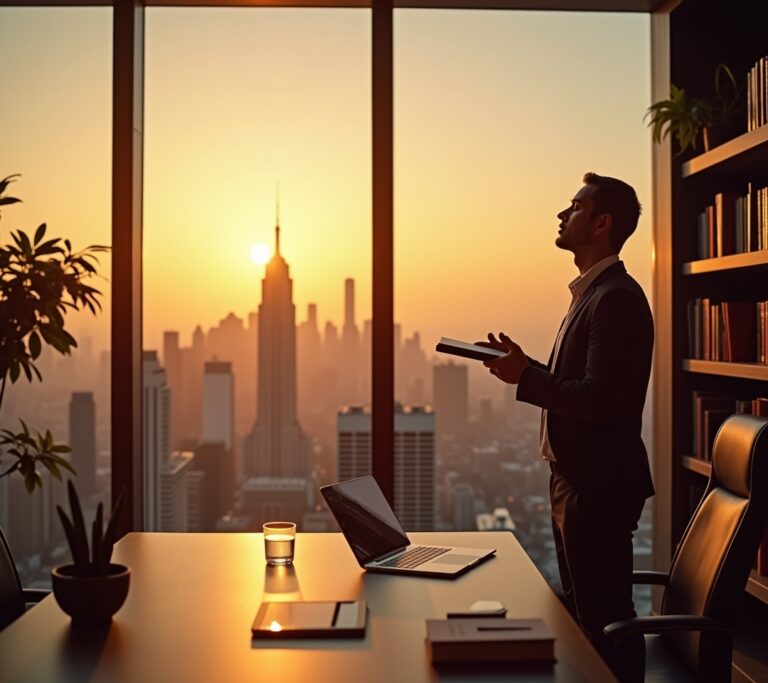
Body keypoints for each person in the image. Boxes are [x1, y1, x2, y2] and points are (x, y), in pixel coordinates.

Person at [479, 172, 654, 683]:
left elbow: (597, 400)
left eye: (575, 207)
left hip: (596, 487)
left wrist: (527, 377)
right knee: (585, 616)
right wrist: (525, 366)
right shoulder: (592, 294)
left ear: (602, 224)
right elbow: (581, 384)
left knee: (604, 621)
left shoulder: (615, 298)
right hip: (575, 481)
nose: (562, 214)